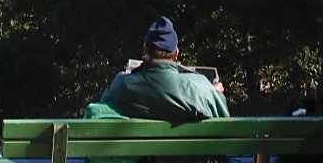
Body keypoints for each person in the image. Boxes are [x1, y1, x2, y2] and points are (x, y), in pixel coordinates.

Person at [94, 16, 229, 123]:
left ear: (145, 49)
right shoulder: (201, 87)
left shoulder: (122, 86)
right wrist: (214, 93)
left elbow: (100, 113)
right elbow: (224, 123)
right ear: (176, 53)